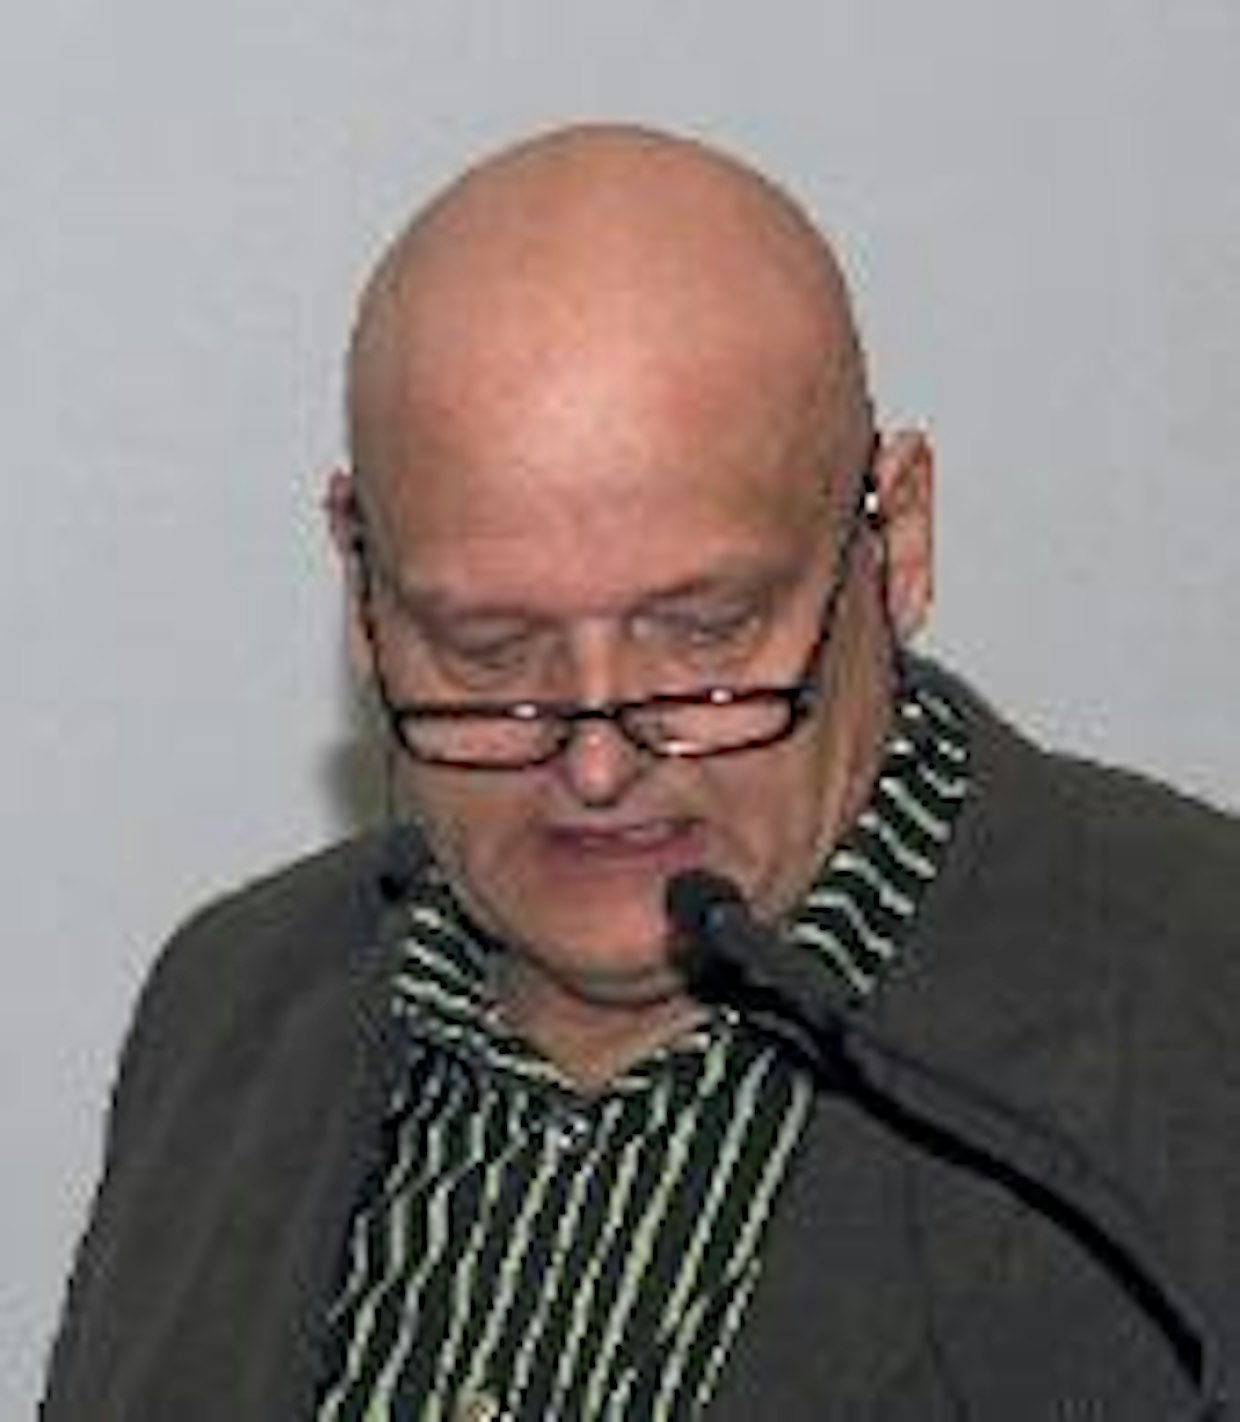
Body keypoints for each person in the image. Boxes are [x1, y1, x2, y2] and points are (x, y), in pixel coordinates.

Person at [42, 124, 1240, 1420]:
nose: (599, 758)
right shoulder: (230, 1006)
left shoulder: (1199, 1016)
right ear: (361, 583)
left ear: (895, 541)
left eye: (705, 631)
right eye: (488, 646)